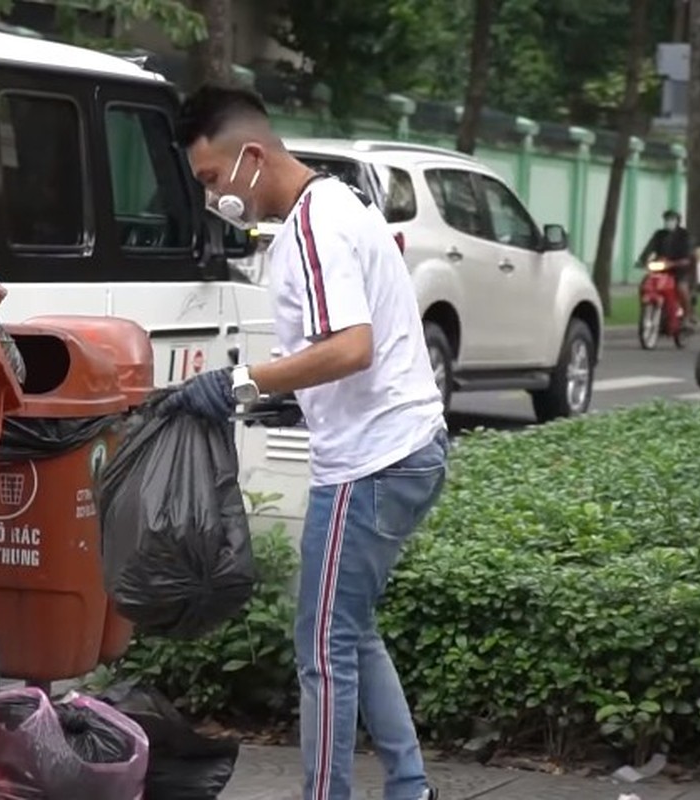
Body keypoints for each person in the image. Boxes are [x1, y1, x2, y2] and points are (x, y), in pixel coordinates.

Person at [161, 83, 448, 800]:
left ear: (251, 155)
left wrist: (242, 382)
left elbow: (351, 347)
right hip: (395, 449)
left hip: (371, 463)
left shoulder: (317, 223)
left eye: (211, 179)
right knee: (348, 629)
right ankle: (409, 787)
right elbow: (336, 354)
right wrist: (277, 395)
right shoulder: (321, 213)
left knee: (321, 646)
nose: (213, 198)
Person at [638, 209, 696, 325]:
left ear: (678, 221)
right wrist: (642, 260)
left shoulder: (684, 235)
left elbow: (688, 255)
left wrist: (677, 262)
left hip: (679, 269)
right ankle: (646, 309)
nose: (669, 222)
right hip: (662, 268)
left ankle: (687, 315)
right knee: (645, 285)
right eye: (667, 219)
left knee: (681, 288)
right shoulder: (659, 234)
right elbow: (649, 248)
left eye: (672, 219)